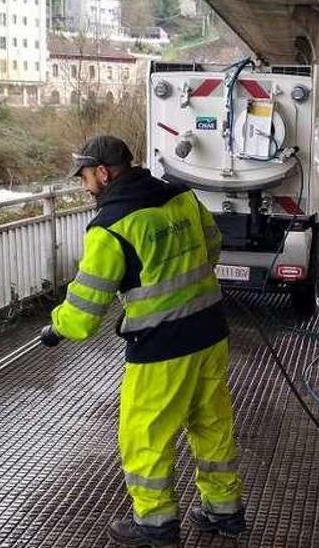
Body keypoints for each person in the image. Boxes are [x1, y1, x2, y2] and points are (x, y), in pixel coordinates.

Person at [40, 135, 244, 547]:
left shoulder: (110, 226)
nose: (84, 186)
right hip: (210, 334)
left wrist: (56, 326)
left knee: (145, 435)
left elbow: (82, 314)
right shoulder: (180, 196)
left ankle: (155, 523)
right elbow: (213, 246)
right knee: (211, 423)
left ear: (102, 172)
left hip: (161, 349)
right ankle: (224, 511)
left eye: (84, 177)